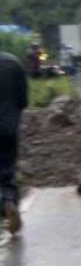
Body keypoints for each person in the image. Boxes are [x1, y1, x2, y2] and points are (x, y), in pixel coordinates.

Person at [0, 51, 28, 235]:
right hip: (8, 128)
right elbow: (23, 100)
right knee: (8, 168)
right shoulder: (13, 62)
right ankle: (9, 201)